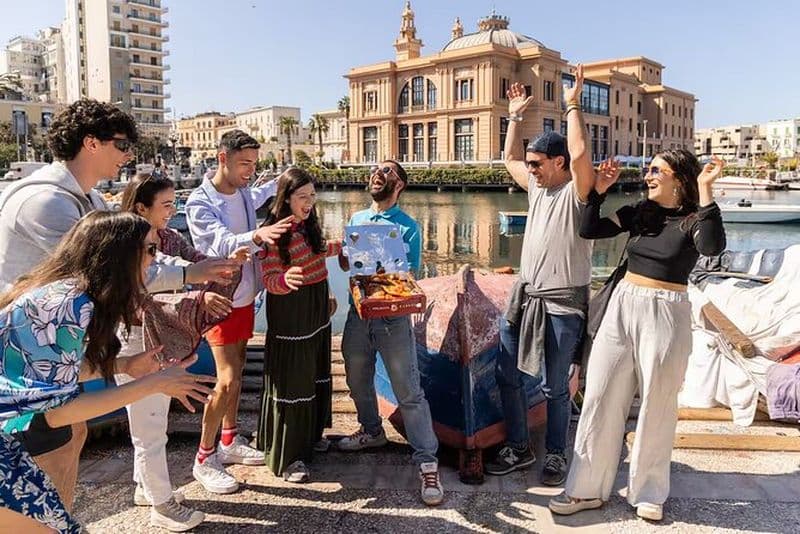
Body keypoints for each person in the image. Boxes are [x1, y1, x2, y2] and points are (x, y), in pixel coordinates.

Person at [0, 98, 237, 511]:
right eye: (123, 144)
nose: (129, 156)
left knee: (71, 438)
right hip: (25, 375)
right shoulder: (48, 207)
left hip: (47, 359)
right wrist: (189, 278)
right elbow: (112, 272)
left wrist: (126, 368)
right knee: (49, 458)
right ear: (91, 143)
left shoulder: (87, 203)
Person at [0, 211, 216, 533]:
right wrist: (153, 383)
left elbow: (58, 376)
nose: (153, 260)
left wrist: (126, 366)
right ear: (119, 254)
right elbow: (57, 411)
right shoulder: (71, 305)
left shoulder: (69, 294)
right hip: (15, 434)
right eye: (150, 250)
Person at [549, 153, 726, 521]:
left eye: (656, 170)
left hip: (666, 309)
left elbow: (712, 247)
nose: (648, 176)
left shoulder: (694, 220)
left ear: (679, 178)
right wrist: (598, 192)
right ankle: (585, 490)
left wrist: (707, 192)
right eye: (648, 169)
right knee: (599, 395)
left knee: (657, 403)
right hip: (623, 303)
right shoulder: (639, 213)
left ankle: (647, 491)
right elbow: (589, 230)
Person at [117, 173, 250, 531]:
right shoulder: (125, 245)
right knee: (150, 429)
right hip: (136, 340)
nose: (172, 211)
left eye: (174, 203)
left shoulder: (169, 238)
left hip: (161, 342)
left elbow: (200, 264)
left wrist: (229, 263)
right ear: (141, 207)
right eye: (166, 205)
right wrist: (197, 295)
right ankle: (162, 505)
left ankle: (145, 488)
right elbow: (145, 292)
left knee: (148, 424)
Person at [485, 65, 596, 486]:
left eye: (537, 163)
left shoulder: (576, 193)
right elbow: (509, 157)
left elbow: (583, 156)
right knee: (506, 374)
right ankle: (519, 445)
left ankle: (554, 453)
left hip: (563, 306)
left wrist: (572, 105)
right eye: (530, 164)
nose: (528, 169)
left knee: (554, 387)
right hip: (524, 298)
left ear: (558, 162)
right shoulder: (536, 187)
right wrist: (513, 116)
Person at [186, 130, 293, 494]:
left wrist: (289, 180)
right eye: (244, 163)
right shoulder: (200, 202)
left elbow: (263, 192)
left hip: (246, 295)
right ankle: (204, 457)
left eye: (254, 164)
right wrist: (259, 236)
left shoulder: (245, 190)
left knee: (240, 362)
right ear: (222, 158)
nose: (250, 171)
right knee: (227, 379)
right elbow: (217, 241)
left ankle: (229, 440)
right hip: (218, 299)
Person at [336, 160, 444, 506]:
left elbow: (405, 272)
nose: (377, 175)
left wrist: (370, 256)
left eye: (387, 172)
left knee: (408, 390)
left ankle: (427, 460)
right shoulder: (355, 219)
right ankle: (371, 430)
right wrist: (343, 254)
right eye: (375, 170)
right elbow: (347, 266)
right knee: (356, 378)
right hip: (358, 313)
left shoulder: (408, 226)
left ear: (399, 185)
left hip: (393, 318)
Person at [256, 168, 340, 482]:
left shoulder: (307, 226)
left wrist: (345, 246)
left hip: (316, 305)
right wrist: (284, 280)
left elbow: (319, 252)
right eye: (302, 196)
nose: (309, 202)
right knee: (292, 377)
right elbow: (269, 278)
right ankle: (287, 456)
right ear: (286, 198)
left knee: (314, 372)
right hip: (292, 309)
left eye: (312, 196)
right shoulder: (274, 231)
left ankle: (309, 437)